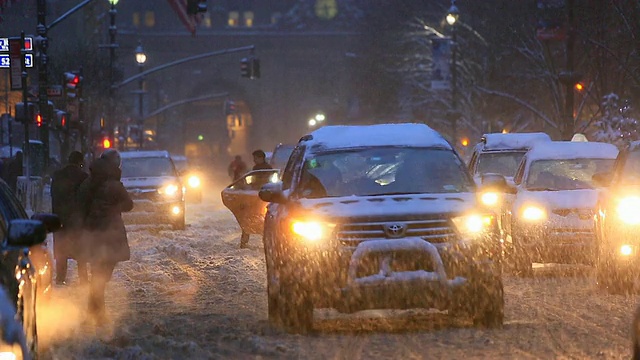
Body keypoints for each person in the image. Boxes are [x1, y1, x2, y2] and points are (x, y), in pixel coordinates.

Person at [77, 149, 133, 325]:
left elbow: (80, 203)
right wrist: (114, 208)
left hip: (92, 232)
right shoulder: (114, 185)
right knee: (102, 274)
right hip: (110, 233)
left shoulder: (88, 182)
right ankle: (96, 312)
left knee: (97, 273)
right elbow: (129, 204)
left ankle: (93, 310)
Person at [50, 151, 89, 285]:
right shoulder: (83, 177)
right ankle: (83, 279)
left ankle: (60, 278)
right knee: (81, 250)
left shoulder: (57, 176)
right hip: (77, 219)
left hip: (59, 219)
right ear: (80, 162)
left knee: (61, 250)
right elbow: (85, 199)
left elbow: (54, 197)